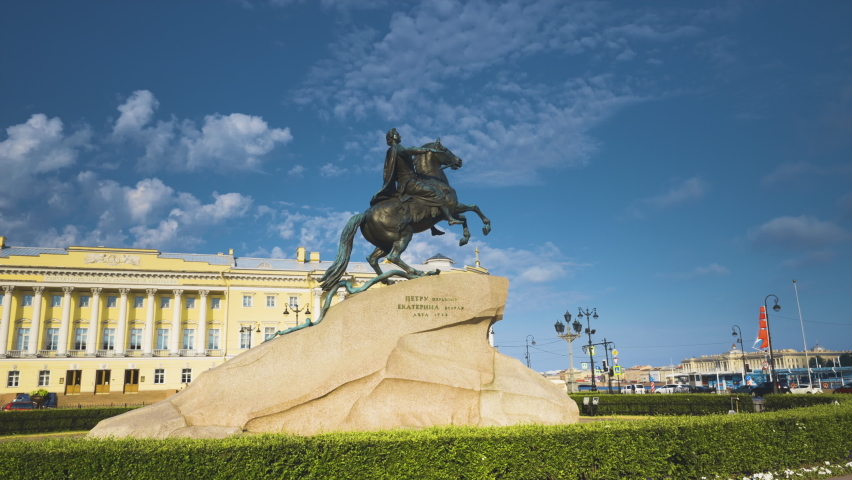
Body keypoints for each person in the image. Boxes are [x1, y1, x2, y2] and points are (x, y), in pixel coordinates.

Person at [370, 128, 461, 229]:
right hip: (409, 183)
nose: (399, 136)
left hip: (404, 184)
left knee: (424, 198)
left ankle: (432, 226)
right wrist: (427, 150)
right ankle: (450, 219)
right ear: (391, 138)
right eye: (397, 134)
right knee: (437, 193)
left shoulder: (391, 152)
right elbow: (410, 150)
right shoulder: (397, 148)